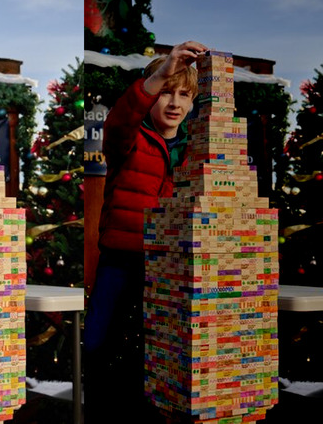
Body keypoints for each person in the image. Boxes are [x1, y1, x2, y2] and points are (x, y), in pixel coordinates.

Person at [84, 41, 207, 423]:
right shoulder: (131, 138)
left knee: (161, 346)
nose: (174, 102)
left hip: (171, 265)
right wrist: (162, 72)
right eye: (167, 91)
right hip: (123, 256)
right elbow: (118, 121)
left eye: (184, 95)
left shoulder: (194, 149)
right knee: (99, 341)